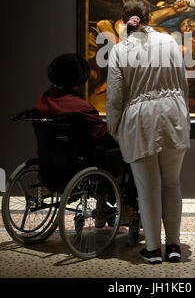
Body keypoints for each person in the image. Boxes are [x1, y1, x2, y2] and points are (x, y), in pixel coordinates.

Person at [106, 0, 190, 264]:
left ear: (125, 19)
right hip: (173, 114)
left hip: (140, 120)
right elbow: (182, 84)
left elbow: (115, 97)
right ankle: (174, 246)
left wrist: (115, 128)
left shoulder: (120, 50)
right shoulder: (169, 42)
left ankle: (153, 249)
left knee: (148, 188)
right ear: (149, 17)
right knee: (172, 183)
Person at [34, 53, 138, 225]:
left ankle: (102, 207)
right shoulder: (80, 107)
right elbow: (102, 135)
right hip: (80, 164)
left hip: (50, 166)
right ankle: (126, 207)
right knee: (131, 158)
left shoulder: (43, 100)